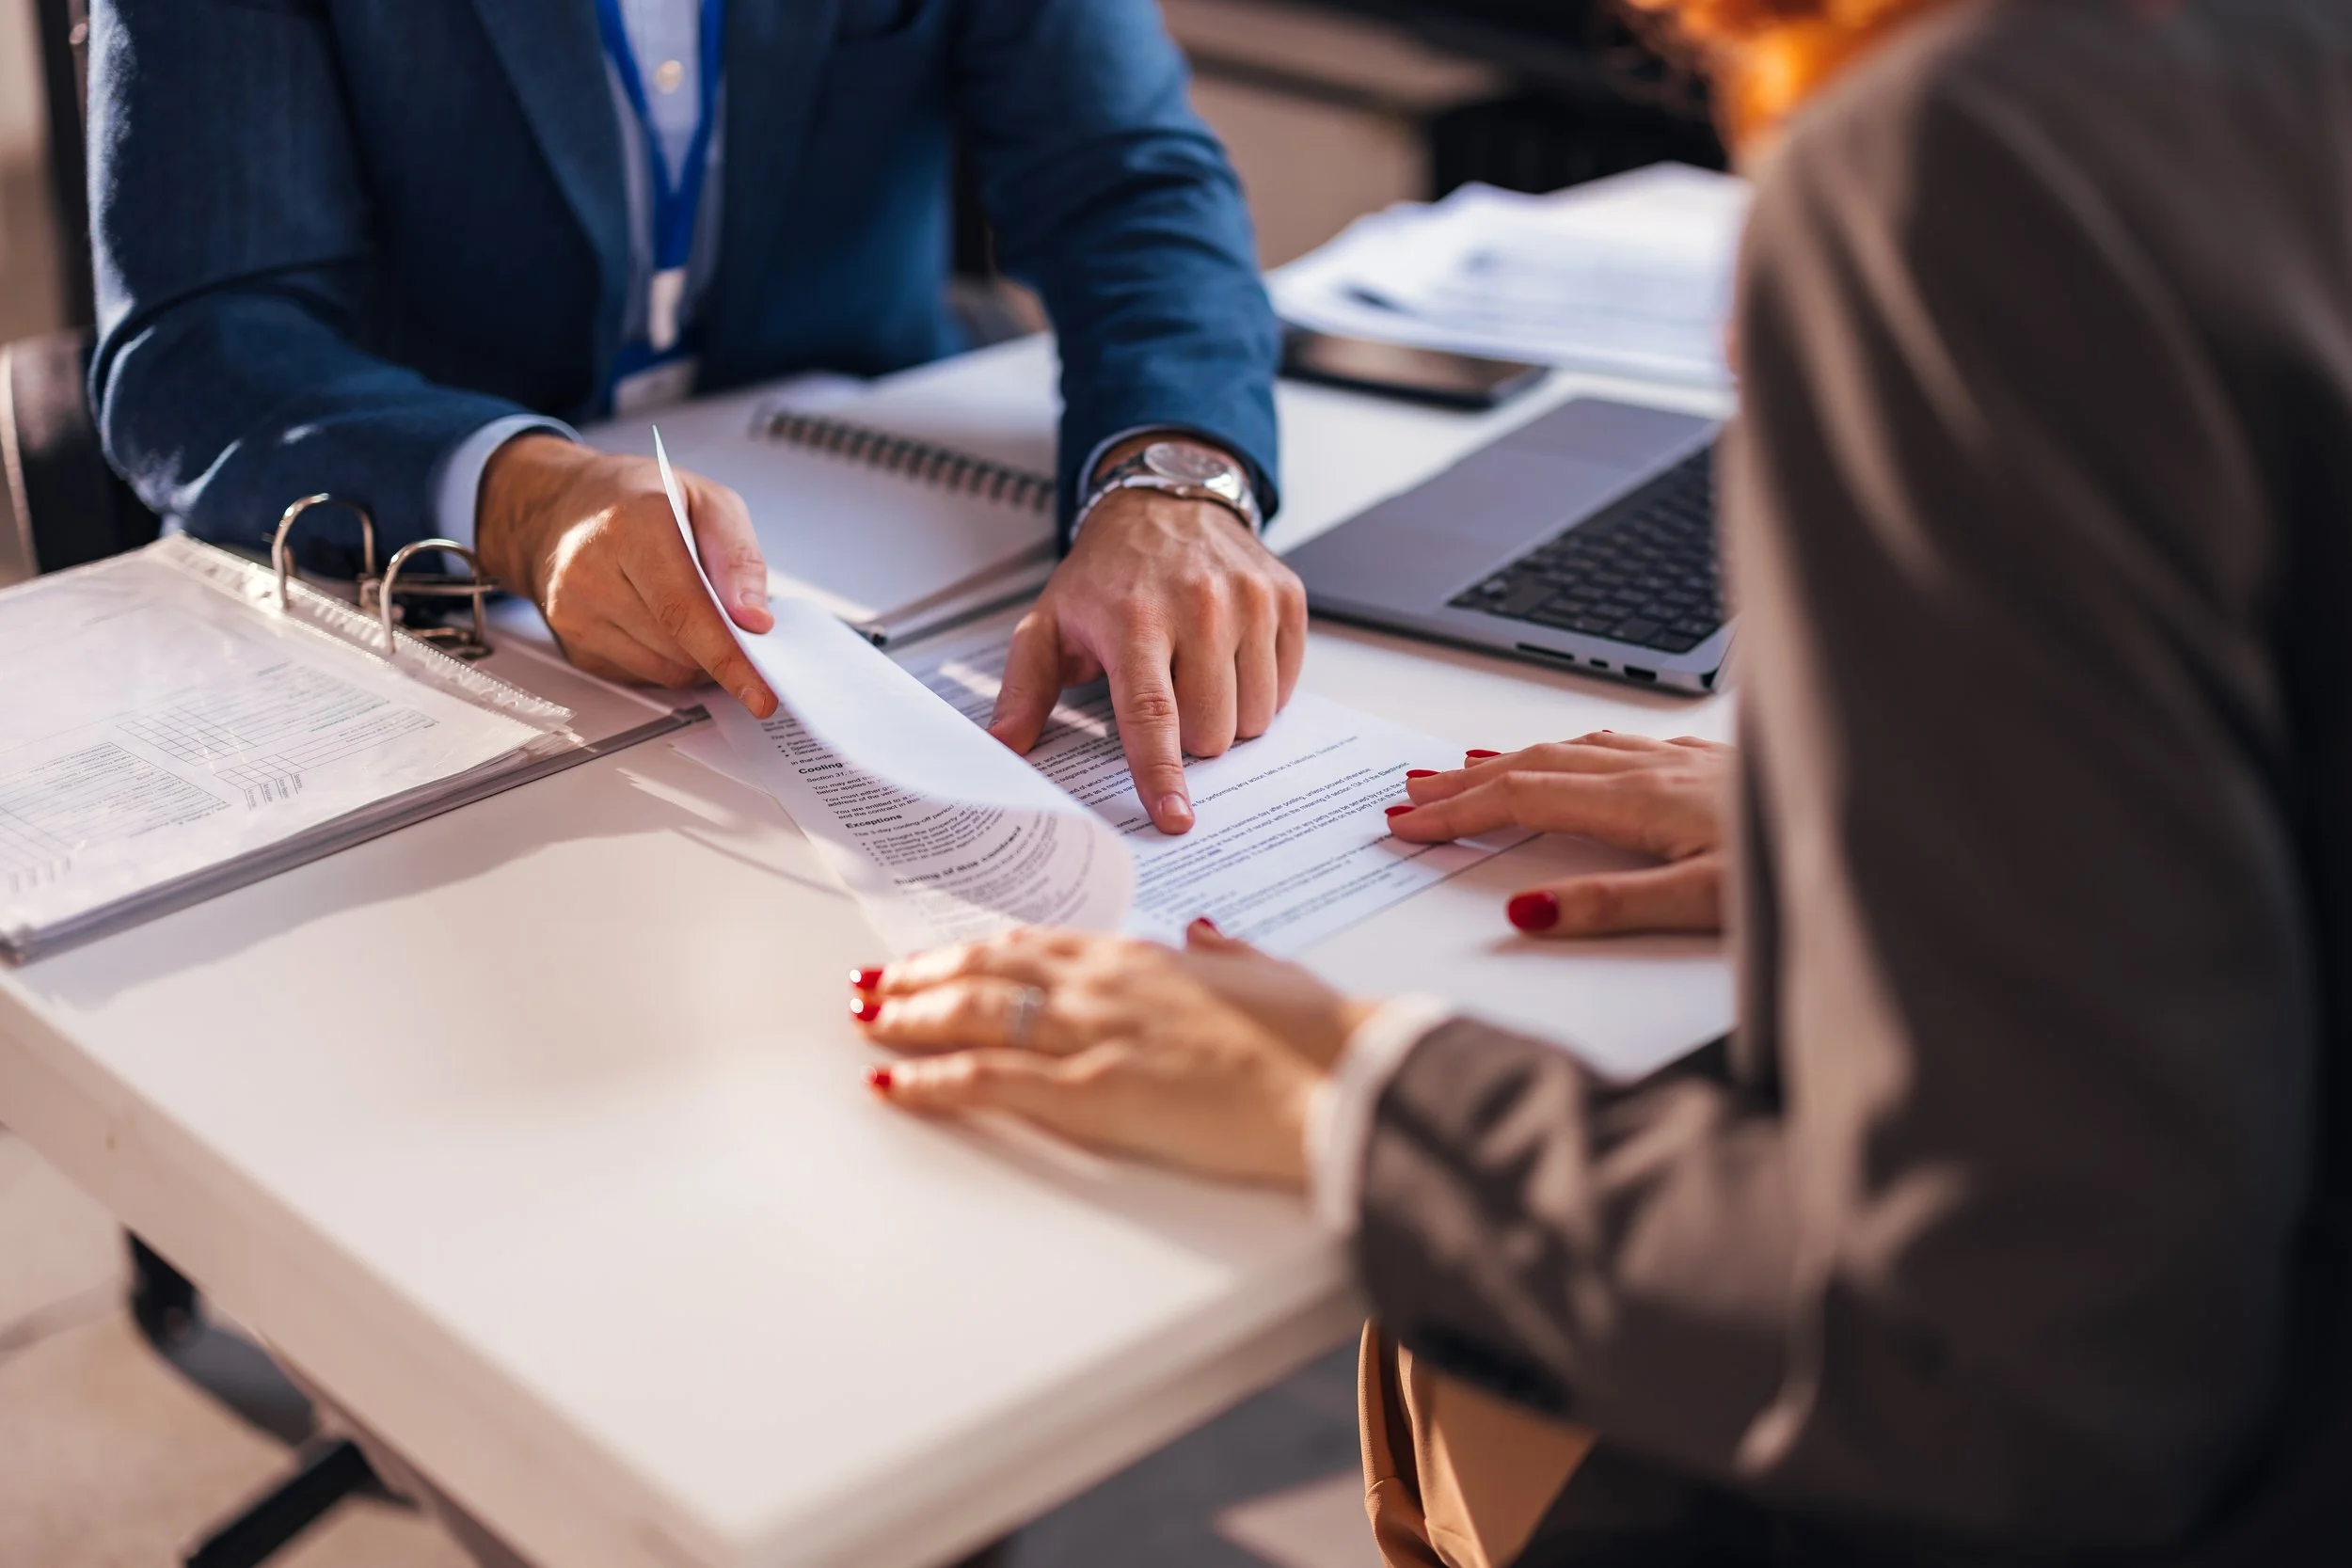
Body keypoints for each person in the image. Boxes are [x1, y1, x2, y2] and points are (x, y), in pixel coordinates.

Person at [846, 0, 2352, 1561]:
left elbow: (2011, 1363)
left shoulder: (1965, 166)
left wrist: (1349, 1089)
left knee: (1461, 1384)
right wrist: (1918, 824)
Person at [86, 0, 1303, 834]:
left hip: (897, 593)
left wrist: (1173, 475)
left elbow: (1130, 182)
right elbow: (204, 339)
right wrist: (523, 498)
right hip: (421, 622)